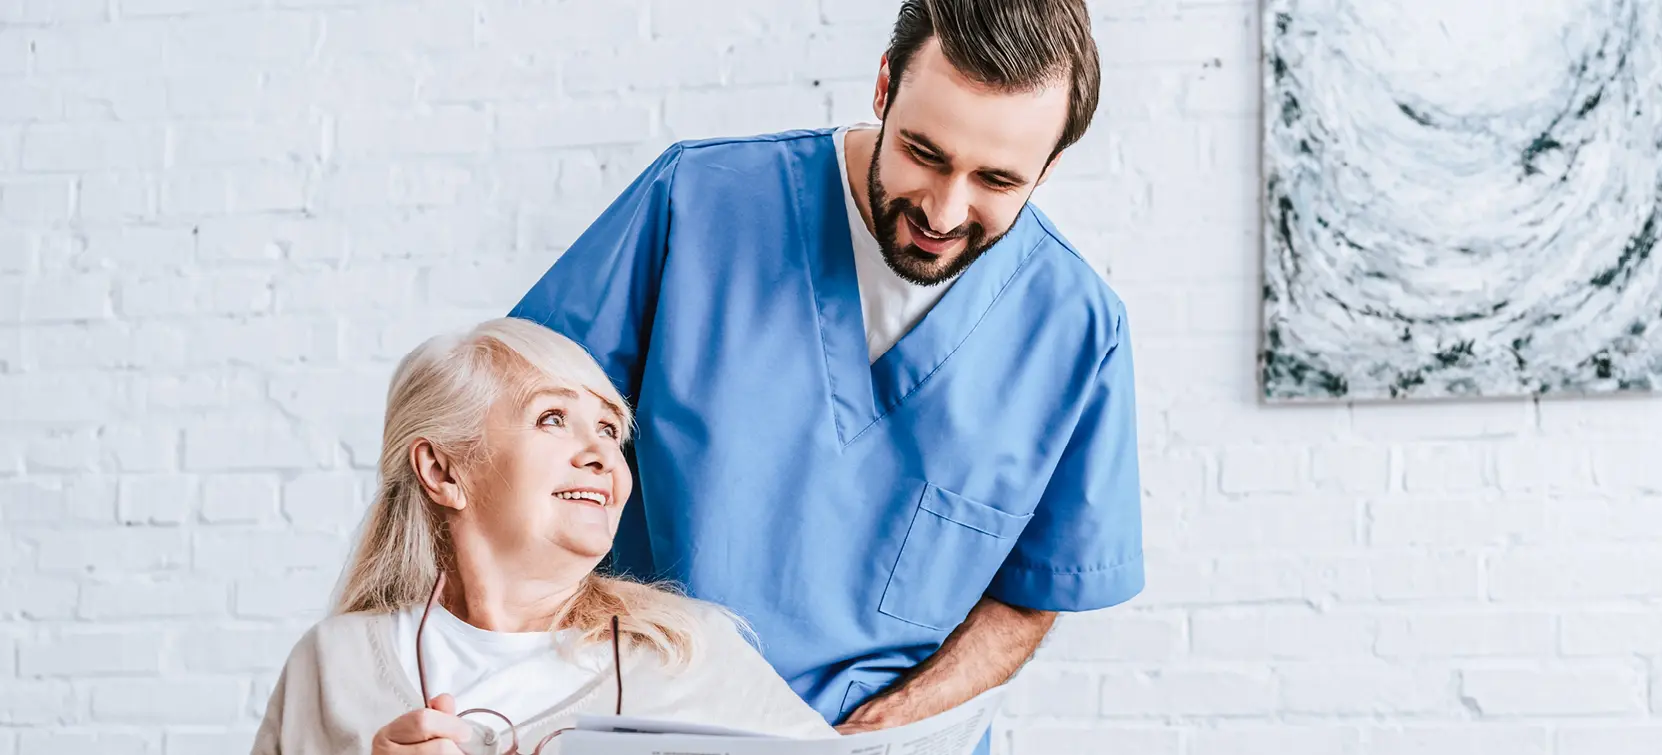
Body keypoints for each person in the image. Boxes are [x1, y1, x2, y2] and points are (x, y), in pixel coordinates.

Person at [508, 0, 1142, 751]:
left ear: (1050, 166)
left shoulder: (1076, 331)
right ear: (883, 87)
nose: (944, 210)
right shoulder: (699, 201)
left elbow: (1030, 595)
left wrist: (881, 728)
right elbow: (505, 444)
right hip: (642, 719)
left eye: (997, 180)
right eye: (924, 152)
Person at [251, 317, 836, 755]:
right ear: (443, 471)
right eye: (552, 419)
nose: (602, 454)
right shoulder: (332, 664)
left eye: (610, 429)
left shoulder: (690, 654)